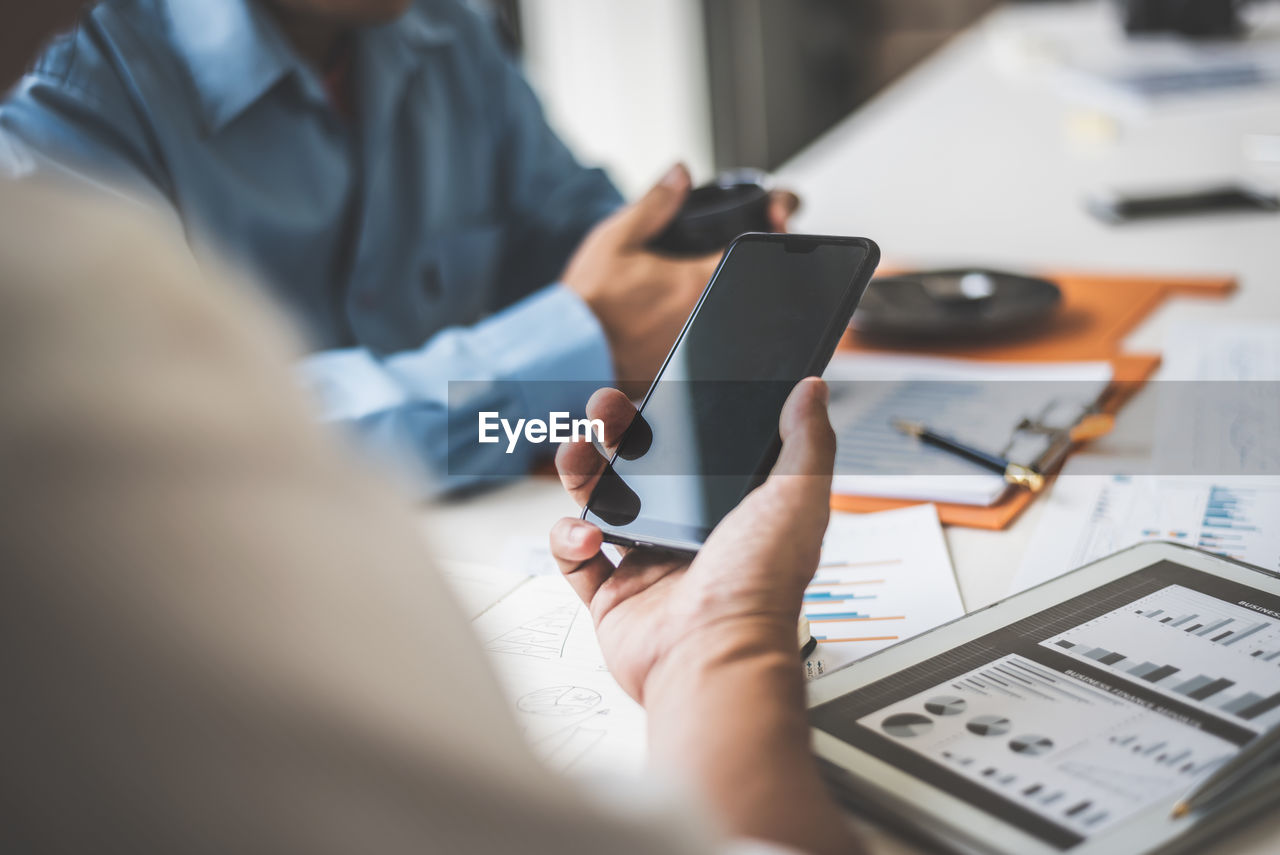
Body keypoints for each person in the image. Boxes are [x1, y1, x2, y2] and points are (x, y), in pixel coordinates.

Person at [1, 180, 860, 854]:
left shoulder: (445, 36)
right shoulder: (55, 321)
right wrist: (575, 331)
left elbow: (581, 217)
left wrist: (707, 640)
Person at [0, 0, 797, 492]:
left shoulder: (447, 29)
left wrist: (675, 256)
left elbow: (568, 240)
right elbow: (180, 449)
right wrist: (573, 344)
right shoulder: (58, 92)